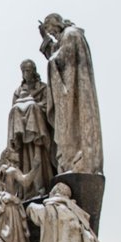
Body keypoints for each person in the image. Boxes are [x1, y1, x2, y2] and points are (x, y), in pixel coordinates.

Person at [38, 13, 103, 175]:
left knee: (71, 128)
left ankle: (75, 161)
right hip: (69, 90)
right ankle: (69, 163)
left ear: (57, 24)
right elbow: (55, 53)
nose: (52, 34)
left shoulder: (71, 35)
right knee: (67, 131)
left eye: (51, 30)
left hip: (72, 92)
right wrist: (45, 39)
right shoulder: (66, 37)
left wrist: (52, 60)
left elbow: (59, 60)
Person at [6, 59, 54, 196]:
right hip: (22, 138)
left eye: (28, 70)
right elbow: (13, 112)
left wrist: (33, 108)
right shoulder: (18, 92)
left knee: (33, 107)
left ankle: (42, 187)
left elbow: (48, 107)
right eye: (23, 71)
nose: (25, 73)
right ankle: (26, 190)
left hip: (39, 133)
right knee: (16, 110)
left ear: (33, 71)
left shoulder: (43, 88)